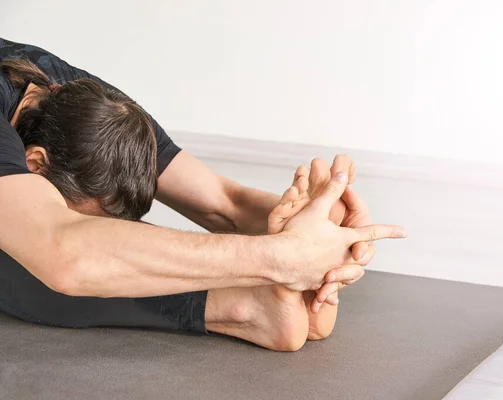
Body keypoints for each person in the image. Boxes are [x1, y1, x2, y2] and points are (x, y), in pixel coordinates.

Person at [0, 38, 406, 351]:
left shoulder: (84, 102)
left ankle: (255, 304)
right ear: (36, 163)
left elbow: (225, 204)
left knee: (92, 248)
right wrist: (283, 259)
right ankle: (237, 306)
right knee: (37, 249)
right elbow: (64, 252)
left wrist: (321, 230)